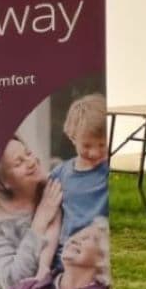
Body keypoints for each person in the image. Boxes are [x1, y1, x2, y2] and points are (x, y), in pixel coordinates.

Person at [0, 135, 61, 289]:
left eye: (28, 153)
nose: (31, 162)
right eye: (19, 163)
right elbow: (12, 280)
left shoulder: (56, 185)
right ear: (4, 182)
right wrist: (39, 222)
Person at [48, 92, 109, 247]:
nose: (95, 153)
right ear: (73, 138)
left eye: (102, 145)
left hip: (99, 252)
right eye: (86, 146)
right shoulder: (60, 174)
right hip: (67, 252)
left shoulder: (111, 170)